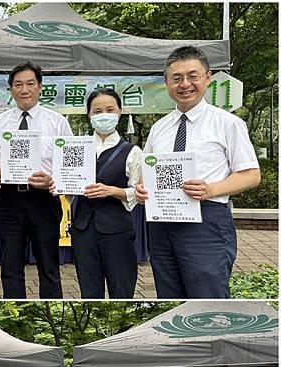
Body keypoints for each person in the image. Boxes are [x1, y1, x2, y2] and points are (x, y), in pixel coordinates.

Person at [135, 46, 260, 299]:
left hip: (207, 222)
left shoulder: (227, 123)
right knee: (170, 299)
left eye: (193, 76)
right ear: (166, 82)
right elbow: (146, 173)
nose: (185, 84)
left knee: (208, 297)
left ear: (208, 77)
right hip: (162, 223)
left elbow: (251, 174)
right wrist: (140, 189)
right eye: (177, 78)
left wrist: (211, 189)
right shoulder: (160, 128)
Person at [0, 61, 73, 299]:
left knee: (49, 264)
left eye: (30, 84)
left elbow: (69, 163)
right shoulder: (0, 122)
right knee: (11, 265)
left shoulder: (57, 122)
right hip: (9, 199)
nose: (25, 89)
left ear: (40, 87)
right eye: (18, 84)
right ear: (11, 89)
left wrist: (52, 179)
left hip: (44, 199)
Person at [69, 89, 141, 299]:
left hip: (117, 230)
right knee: (89, 292)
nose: (104, 115)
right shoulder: (77, 148)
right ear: (89, 115)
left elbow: (139, 191)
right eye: (97, 110)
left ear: (119, 113)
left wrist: (112, 191)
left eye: (110, 109)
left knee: (122, 289)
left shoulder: (131, 151)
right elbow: (68, 186)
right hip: (83, 230)